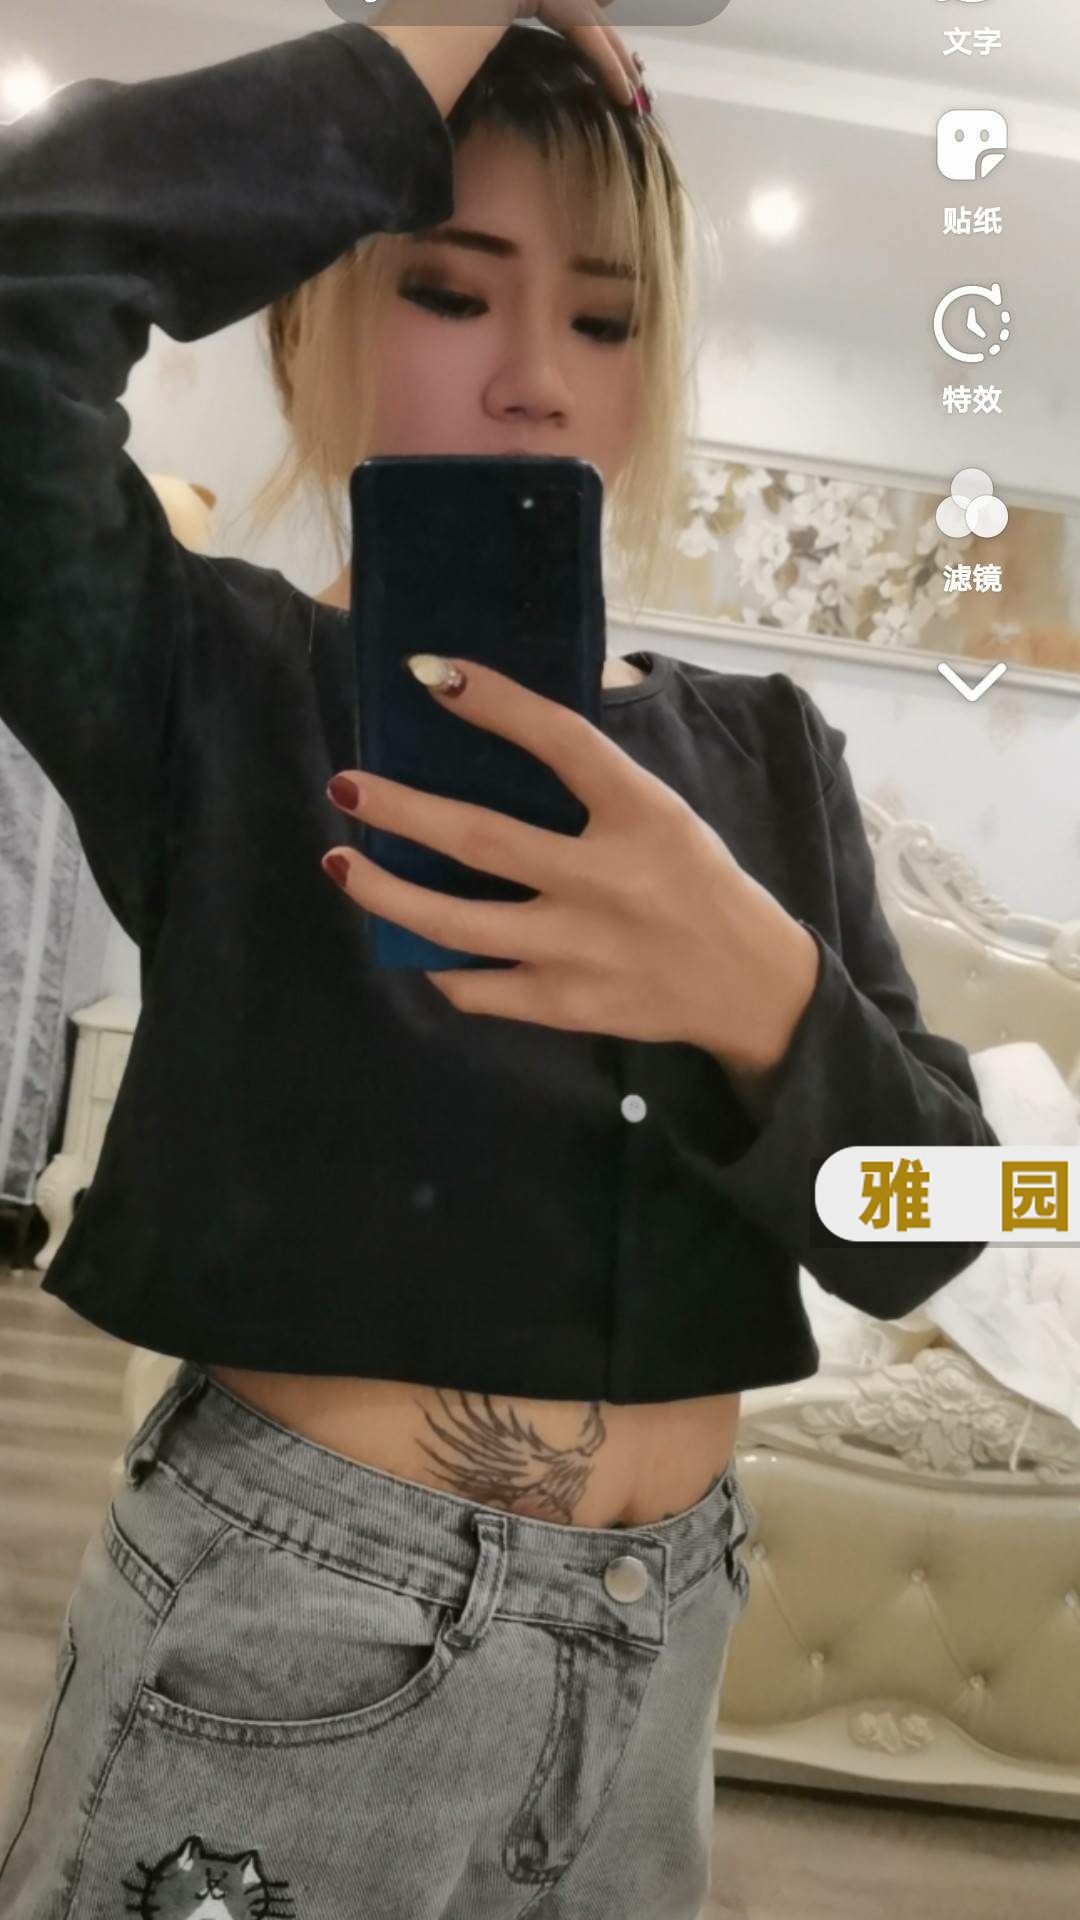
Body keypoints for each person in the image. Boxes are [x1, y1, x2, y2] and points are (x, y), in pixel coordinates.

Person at [0, 4, 997, 1915]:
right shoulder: (209, 681)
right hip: (299, 1642)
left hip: (664, 1659)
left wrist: (760, 993)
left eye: (607, 322)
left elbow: (956, 1215)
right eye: (452, 292)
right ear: (307, 323)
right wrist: (433, 31)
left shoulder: (774, 758)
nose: (538, 378)